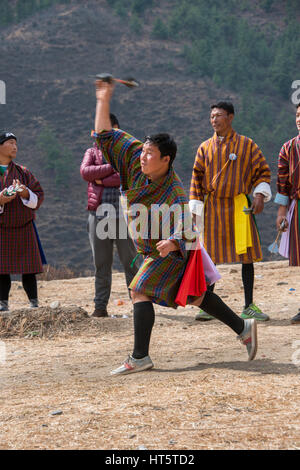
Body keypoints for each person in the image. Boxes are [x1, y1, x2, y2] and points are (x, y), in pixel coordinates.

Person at [92, 80, 259, 376]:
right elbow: (105, 135)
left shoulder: (174, 190)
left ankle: (139, 357)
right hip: (152, 249)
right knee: (196, 295)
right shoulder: (134, 159)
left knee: (139, 290)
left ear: (166, 160)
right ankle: (243, 327)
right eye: (143, 151)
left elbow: (187, 223)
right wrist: (103, 98)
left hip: (171, 251)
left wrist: (172, 242)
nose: (143, 157)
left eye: (150, 154)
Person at [189, 102, 272, 322]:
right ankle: (207, 305)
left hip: (238, 205)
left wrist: (259, 195)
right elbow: (196, 180)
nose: (214, 120)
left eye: (219, 115)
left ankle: (248, 306)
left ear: (231, 117)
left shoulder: (247, 145)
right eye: (212, 116)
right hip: (213, 207)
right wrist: (195, 211)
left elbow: (263, 172)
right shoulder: (204, 148)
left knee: (247, 256)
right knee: (210, 256)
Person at [80, 114, 139, 317]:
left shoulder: (127, 154)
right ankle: (100, 307)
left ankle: (139, 304)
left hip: (123, 216)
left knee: (130, 261)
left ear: (117, 131)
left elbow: (127, 175)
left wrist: (101, 179)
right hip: (98, 215)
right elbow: (86, 172)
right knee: (101, 263)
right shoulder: (91, 152)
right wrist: (111, 170)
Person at [0, 131, 44, 312]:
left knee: (29, 270)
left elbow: (39, 195)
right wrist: (1, 200)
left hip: (25, 227)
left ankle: (34, 302)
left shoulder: (23, 172)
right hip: (2, 228)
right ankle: (2, 303)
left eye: (16, 143)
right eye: (10, 142)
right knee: (1, 270)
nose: (15, 146)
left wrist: (26, 194)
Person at [274, 103, 300, 324]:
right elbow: (283, 183)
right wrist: (282, 211)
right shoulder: (289, 148)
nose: (299, 119)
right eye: (298, 115)